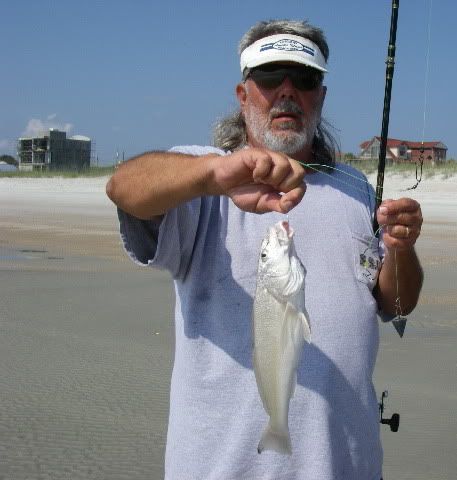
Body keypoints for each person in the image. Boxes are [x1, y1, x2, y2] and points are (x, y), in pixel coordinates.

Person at [106, 19, 423, 480]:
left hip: (346, 466)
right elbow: (123, 187)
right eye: (271, 78)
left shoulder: (355, 187)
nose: (287, 92)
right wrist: (214, 175)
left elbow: (396, 303)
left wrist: (400, 248)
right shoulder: (202, 177)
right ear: (243, 95)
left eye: (305, 79)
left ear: (322, 96)